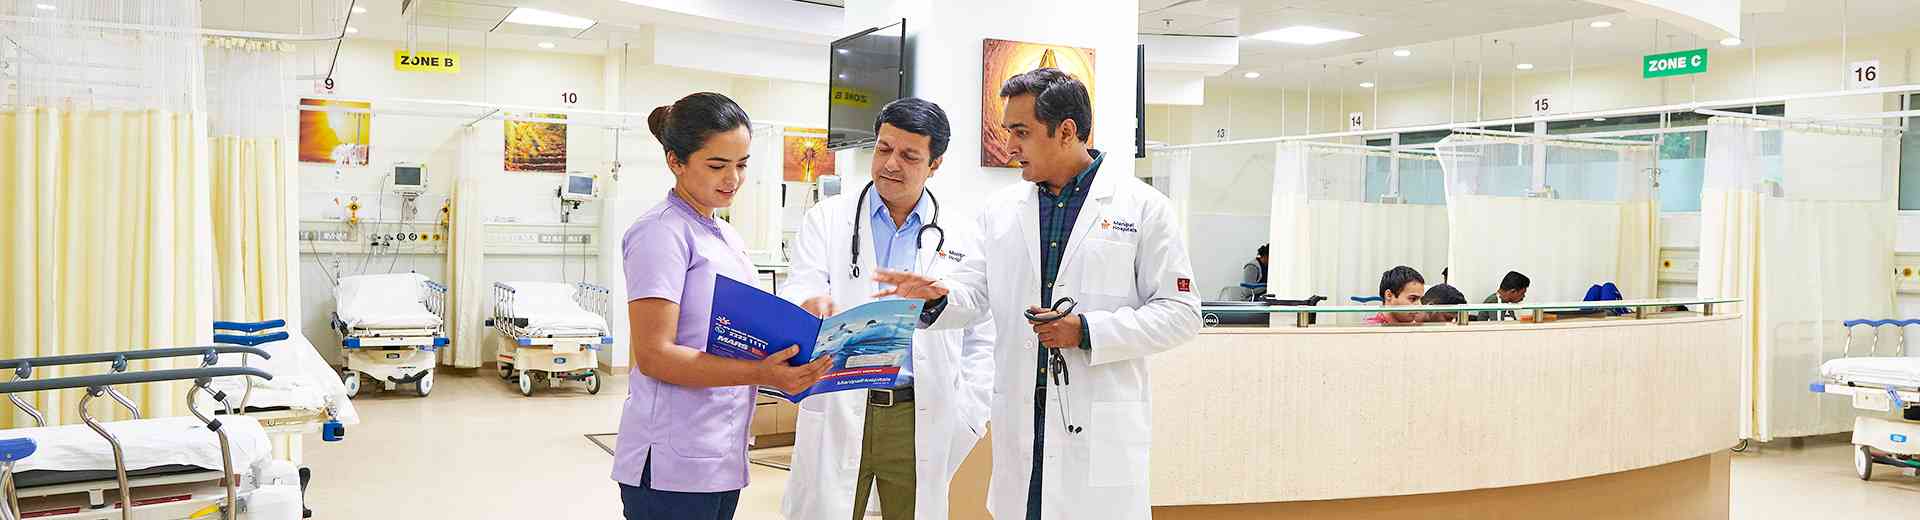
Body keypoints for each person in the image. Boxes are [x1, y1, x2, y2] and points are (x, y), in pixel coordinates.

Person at [872, 68, 1202, 520]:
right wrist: (938, 297)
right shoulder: (1001, 211)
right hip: (1023, 420)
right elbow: (975, 295)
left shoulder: (1143, 208)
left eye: (1021, 132)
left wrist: (1086, 331)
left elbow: (1181, 313)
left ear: (1066, 131)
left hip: (1098, 423)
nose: (1009, 146)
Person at [616, 92, 833, 520]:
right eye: (717, 165)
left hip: (720, 452)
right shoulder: (660, 233)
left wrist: (803, 317)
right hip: (671, 463)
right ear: (676, 161)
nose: (733, 178)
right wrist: (762, 373)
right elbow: (654, 355)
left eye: (742, 164)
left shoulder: (725, 236)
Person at [780, 97, 996, 520]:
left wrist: (970, 412)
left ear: (935, 164)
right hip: (840, 400)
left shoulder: (963, 234)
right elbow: (801, 283)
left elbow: (982, 330)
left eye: (909, 156)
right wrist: (809, 303)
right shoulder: (828, 219)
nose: (891, 164)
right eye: (883, 149)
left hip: (918, 413)